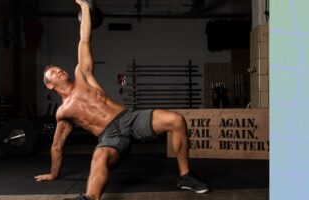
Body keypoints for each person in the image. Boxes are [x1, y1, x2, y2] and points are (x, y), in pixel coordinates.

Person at [35, 0, 209, 199]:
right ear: (50, 85)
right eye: (53, 73)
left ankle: (186, 177)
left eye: (58, 68)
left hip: (128, 117)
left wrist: (84, 7)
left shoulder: (83, 75)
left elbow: (84, 41)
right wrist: (53, 174)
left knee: (176, 120)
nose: (59, 70)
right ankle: (89, 197)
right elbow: (57, 146)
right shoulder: (63, 112)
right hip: (110, 137)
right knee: (98, 156)